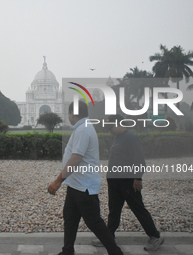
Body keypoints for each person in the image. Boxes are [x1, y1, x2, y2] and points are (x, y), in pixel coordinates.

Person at [48, 101, 124, 255]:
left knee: (94, 222)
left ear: (72, 113)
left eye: (68, 113)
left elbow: (76, 158)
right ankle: (67, 251)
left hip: (84, 186)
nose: (68, 116)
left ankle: (115, 252)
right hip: (76, 185)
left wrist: (57, 181)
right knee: (70, 218)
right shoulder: (83, 128)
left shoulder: (83, 130)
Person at [92, 114, 164, 251]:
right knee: (114, 211)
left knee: (138, 209)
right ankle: (109, 237)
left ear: (119, 124)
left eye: (111, 127)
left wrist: (138, 177)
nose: (109, 131)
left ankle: (155, 236)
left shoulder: (130, 138)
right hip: (115, 183)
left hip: (128, 183)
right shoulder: (118, 138)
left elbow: (139, 159)